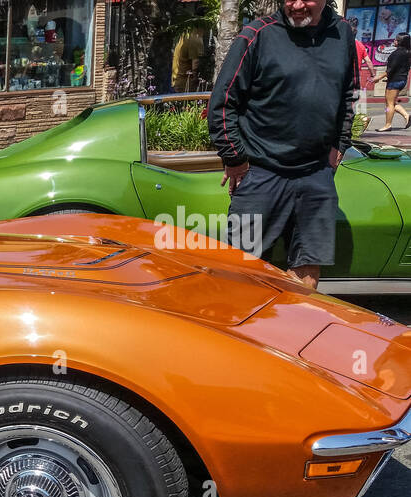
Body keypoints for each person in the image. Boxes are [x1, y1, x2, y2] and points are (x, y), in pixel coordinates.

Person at [209, 0, 357, 290]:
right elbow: (223, 102)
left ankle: (292, 333)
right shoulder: (257, 35)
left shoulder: (342, 34)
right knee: (241, 269)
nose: (297, 5)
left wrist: (340, 143)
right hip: (261, 175)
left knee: (306, 271)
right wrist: (235, 157)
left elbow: (347, 96)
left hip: (316, 175)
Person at [372, 33, 411, 131]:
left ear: (400, 42)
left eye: (396, 40)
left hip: (395, 81)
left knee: (389, 104)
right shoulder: (407, 52)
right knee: (392, 102)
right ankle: (407, 116)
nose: (394, 41)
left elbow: (390, 69)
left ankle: (388, 125)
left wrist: (378, 78)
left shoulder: (397, 54)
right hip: (401, 80)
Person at [171, 27, 206, 93]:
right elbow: (195, 65)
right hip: (186, 85)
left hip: (177, 81)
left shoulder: (185, 35)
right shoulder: (195, 38)